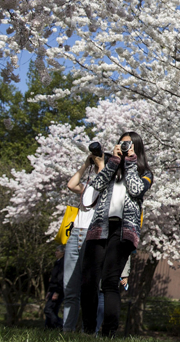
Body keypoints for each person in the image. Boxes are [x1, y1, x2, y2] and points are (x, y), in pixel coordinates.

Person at [81, 132, 153, 337]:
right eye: (121, 144)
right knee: (88, 280)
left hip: (124, 231)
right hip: (100, 227)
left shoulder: (145, 172)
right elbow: (96, 186)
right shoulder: (111, 167)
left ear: (136, 147)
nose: (123, 147)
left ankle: (109, 332)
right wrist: (112, 162)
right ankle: (87, 330)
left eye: (127, 145)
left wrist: (130, 162)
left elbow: (136, 189)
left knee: (110, 281)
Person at [63, 150, 104, 331]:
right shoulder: (87, 186)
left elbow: (106, 182)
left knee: (90, 288)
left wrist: (102, 164)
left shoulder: (108, 187)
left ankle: (89, 332)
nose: (96, 168)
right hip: (76, 234)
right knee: (70, 289)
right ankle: (67, 331)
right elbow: (71, 185)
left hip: (93, 235)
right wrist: (86, 164)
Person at [45, 245, 65, 329]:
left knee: (48, 309)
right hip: (53, 289)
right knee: (53, 310)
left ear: (63, 252)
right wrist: (49, 290)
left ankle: (60, 325)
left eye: (57, 251)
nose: (55, 252)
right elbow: (53, 278)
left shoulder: (62, 263)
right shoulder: (57, 262)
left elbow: (60, 278)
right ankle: (49, 328)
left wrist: (57, 292)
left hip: (58, 289)